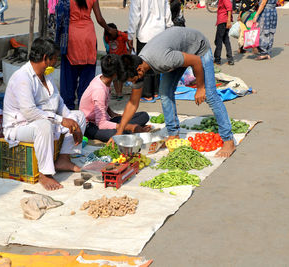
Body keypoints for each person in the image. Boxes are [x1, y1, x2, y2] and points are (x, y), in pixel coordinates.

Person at [114, 27, 236, 157]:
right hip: (178, 52)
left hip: (198, 49)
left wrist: (200, 88)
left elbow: (196, 61)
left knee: (210, 95)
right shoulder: (138, 67)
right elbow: (133, 103)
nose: (133, 83)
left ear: (139, 70)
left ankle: (228, 140)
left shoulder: (162, 60)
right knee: (165, 93)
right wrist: (119, 133)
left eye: (132, 80)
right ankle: (173, 133)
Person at [3, 38, 86, 191]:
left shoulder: (46, 76)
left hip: (45, 121)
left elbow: (58, 103)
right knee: (44, 125)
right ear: (45, 58)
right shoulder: (22, 78)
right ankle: (45, 174)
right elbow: (30, 112)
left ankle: (63, 159)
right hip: (20, 127)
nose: (56, 61)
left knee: (79, 115)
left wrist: (73, 122)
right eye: (54, 58)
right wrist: (61, 121)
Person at [58, 0, 116, 110]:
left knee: (69, 77)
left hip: (71, 37)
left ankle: (68, 108)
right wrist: (108, 29)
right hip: (88, 37)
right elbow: (99, 19)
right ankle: (85, 109)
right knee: (87, 76)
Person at [79, 54, 150, 142]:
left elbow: (101, 103)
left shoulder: (102, 78)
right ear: (116, 73)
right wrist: (131, 127)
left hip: (104, 119)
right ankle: (129, 129)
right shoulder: (99, 90)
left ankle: (128, 128)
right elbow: (101, 124)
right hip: (90, 126)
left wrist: (112, 113)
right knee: (123, 135)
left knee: (144, 116)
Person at [128, 0, 173, 103]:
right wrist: (169, 28)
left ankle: (147, 94)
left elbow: (134, 16)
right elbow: (167, 13)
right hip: (160, 33)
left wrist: (130, 34)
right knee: (157, 63)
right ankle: (156, 91)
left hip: (145, 34)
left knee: (144, 64)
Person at [103, 23, 131, 101]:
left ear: (116, 31)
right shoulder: (106, 37)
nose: (111, 37)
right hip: (113, 59)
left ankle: (120, 92)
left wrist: (129, 53)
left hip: (121, 58)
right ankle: (117, 92)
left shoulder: (122, 35)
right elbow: (107, 46)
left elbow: (129, 41)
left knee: (120, 77)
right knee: (114, 77)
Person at [214, 0, 234, 65]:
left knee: (218, 41)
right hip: (223, 20)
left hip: (223, 20)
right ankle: (230, 59)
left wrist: (228, 21)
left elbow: (229, 8)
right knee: (226, 40)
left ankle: (217, 60)